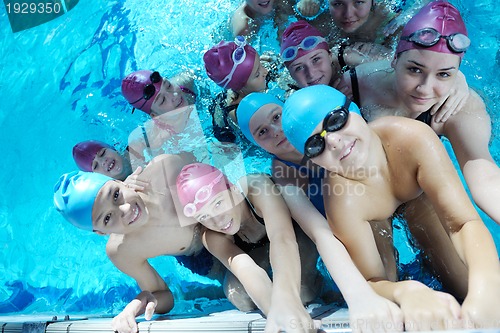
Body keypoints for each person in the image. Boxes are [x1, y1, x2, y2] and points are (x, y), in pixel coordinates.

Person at [282, 84, 500, 329]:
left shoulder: (411, 138)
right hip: (373, 216)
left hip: (417, 196)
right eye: (315, 145)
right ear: (313, 160)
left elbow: (462, 223)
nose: (333, 141)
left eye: (335, 120)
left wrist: (487, 285)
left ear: (353, 109)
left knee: (466, 284)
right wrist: (406, 292)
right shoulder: (342, 201)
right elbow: (371, 280)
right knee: (389, 306)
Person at [236, 92, 405, 331]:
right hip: (323, 227)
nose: (275, 130)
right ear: (255, 143)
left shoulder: (337, 138)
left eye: (277, 117)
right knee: (304, 293)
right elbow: (320, 233)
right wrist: (358, 296)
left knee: (384, 262)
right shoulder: (285, 175)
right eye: (262, 132)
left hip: (367, 214)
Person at [341, 0, 500, 225]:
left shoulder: (460, 106)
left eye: (444, 74)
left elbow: (485, 175)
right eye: (415, 70)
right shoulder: (356, 84)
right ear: (394, 59)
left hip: (417, 189)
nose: (425, 88)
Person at [53, 154, 224, 333]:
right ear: (102, 232)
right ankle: (194, 293)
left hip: (226, 217)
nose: (125, 209)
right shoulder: (122, 250)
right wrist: (142, 301)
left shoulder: (164, 169)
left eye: (116, 195)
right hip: (201, 257)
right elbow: (166, 298)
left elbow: (212, 171)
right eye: (108, 218)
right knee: (240, 295)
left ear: (122, 182)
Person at [176, 163, 323, 332]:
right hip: (256, 253)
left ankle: (323, 289)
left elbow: (282, 238)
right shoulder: (210, 235)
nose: (218, 221)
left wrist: (288, 299)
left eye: (218, 204)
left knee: (303, 292)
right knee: (238, 296)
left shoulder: (256, 188)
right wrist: (276, 312)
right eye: (204, 216)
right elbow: (245, 268)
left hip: (294, 236)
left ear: (232, 188)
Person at [280, 20, 391, 92]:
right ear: (291, 75)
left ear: (329, 55)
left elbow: (394, 66)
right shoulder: (292, 92)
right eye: (299, 68)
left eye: (316, 59)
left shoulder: (349, 57)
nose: (311, 73)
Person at [204, 36, 270, 142]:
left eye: (260, 64)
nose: (266, 71)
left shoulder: (246, 83)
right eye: (257, 74)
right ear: (241, 87)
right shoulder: (240, 113)